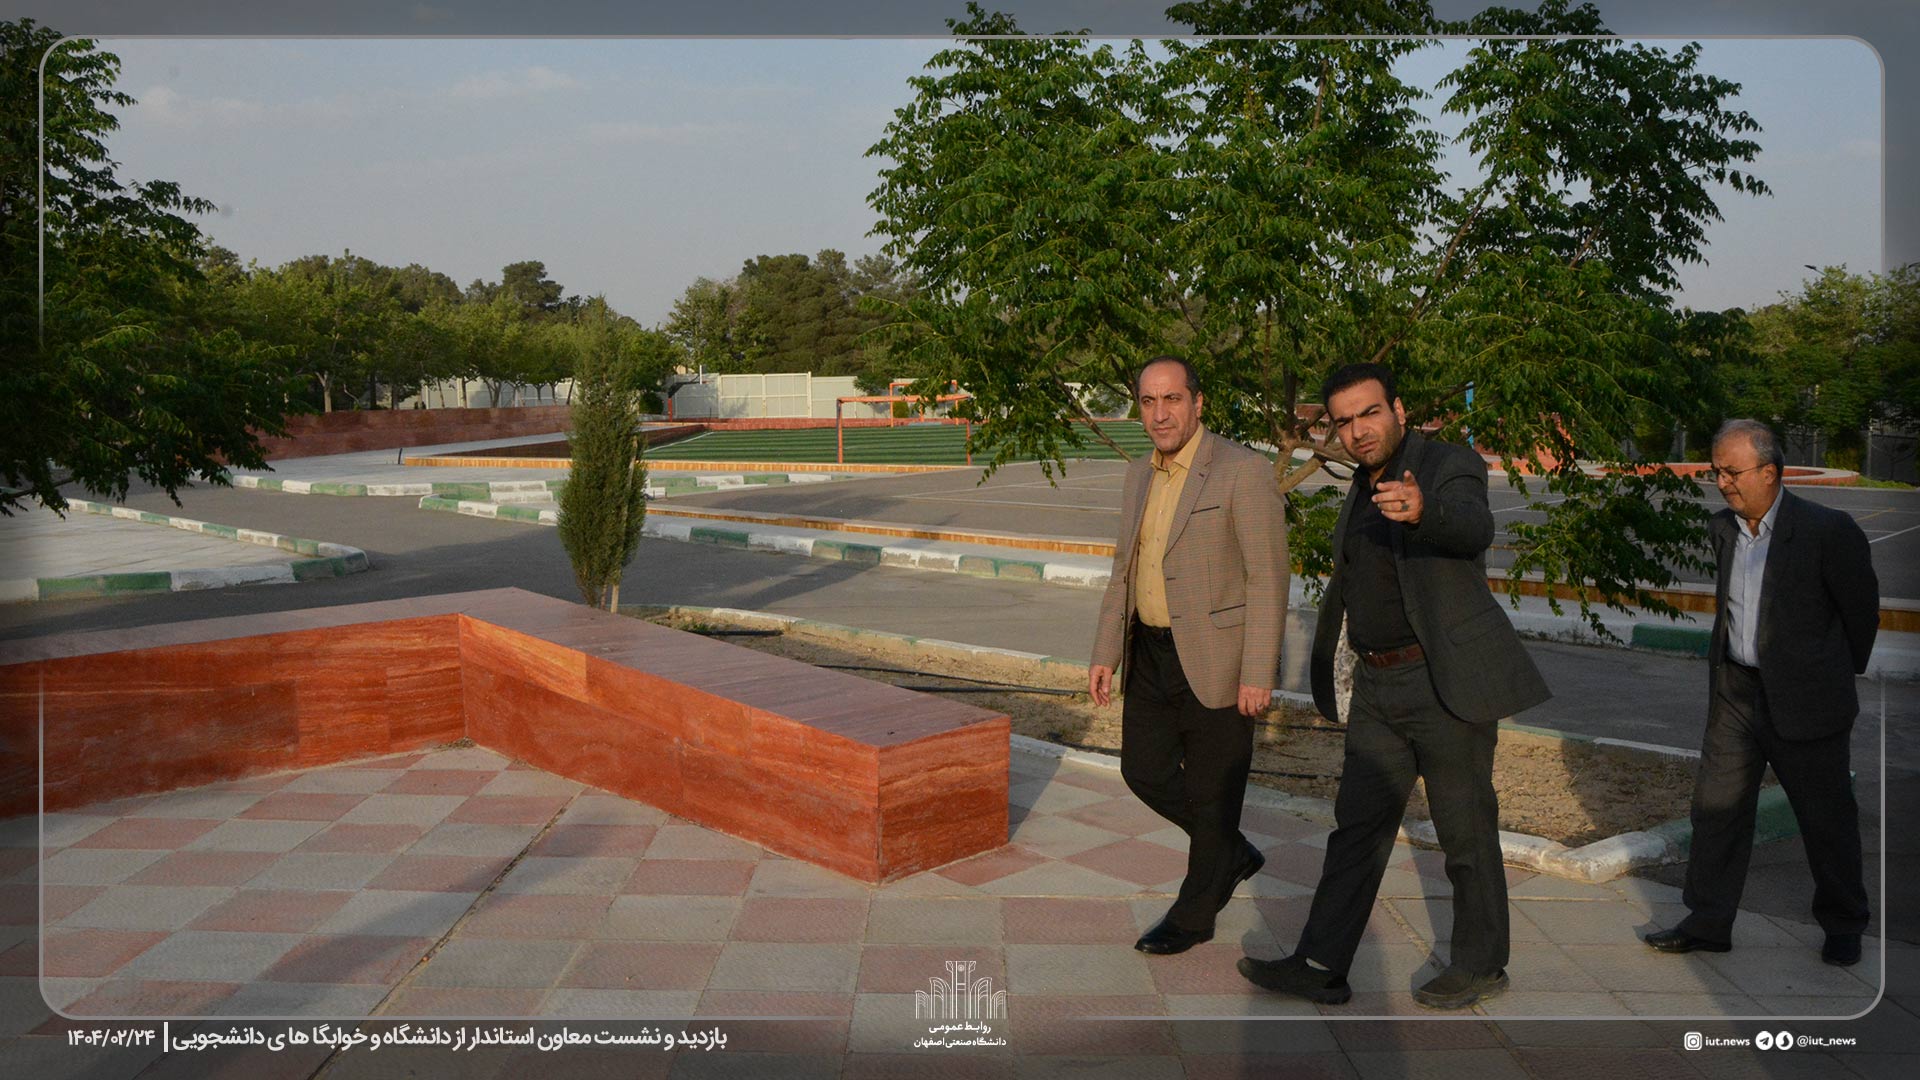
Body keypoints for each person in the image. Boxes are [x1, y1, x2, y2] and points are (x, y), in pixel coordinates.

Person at [1237, 362, 1550, 1009]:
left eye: (1369, 413)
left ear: (1398, 410)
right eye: (1344, 421)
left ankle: (1482, 965)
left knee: (1464, 832)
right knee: (1356, 830)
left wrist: (1422, 511)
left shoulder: (1447, 464)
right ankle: (1321, 964)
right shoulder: (1358, 485)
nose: (1358, 430)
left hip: (1443, 682)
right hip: (1377, 688)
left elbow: (1473, 525)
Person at [1643, 419, 1879, 967]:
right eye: (1716, 472)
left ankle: (1844, 924)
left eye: (1732, 471)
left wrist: (1827, 677)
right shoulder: (1723, 529)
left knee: (1825, 819)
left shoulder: (1827, 530)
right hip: (1736, 692)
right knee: (1716, 810)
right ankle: (1708, 922)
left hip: (1806, 700)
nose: (1722, 482)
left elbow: (1860, 614)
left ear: (1769, 472)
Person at [1088, 355, 1289, 956]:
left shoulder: (1242, 470)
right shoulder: (1138, 475)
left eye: (1171, 399)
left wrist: (1258, 671)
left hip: (1219, 658)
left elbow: (1267, 577)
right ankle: (1229, 852)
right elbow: (1124, 570)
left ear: (1198, 403)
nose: (1160, 414)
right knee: (1142, 771)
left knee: (1212, 791)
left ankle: (1195, 914)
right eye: (1148, 402)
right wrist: (1105, 652)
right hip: (1149, 652)